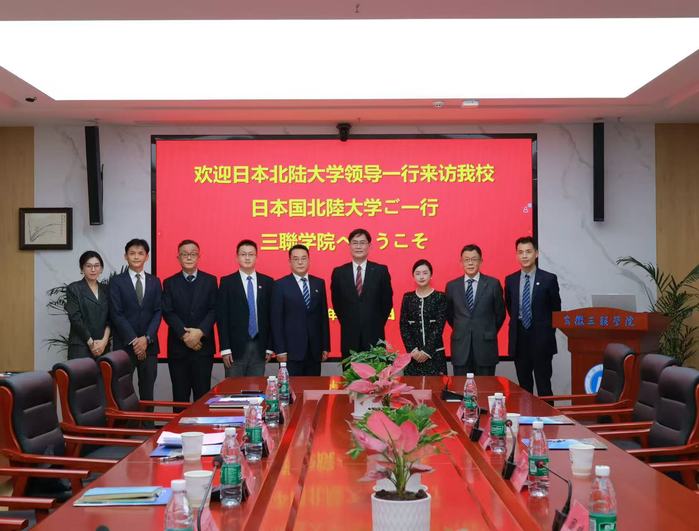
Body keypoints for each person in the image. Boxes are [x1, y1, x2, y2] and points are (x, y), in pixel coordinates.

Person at [162, 239, 218, 403]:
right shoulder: (169, 282)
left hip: (203, 348)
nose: (188, 257)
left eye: (193, 254)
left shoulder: (210, 280)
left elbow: (214, 309)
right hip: (178, 350)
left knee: (203, 398)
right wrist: (185, 335)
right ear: (178, 257)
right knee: (180, 397)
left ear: (198, 257)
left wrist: (200, 332)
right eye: (184, 254)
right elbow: (168, 312)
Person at [505, 236, 561, 395]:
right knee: (524, 387)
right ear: (516, 255)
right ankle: (526, 412)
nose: (524, 256)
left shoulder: (549, 279)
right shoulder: (510, 280)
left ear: (536, 253)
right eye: (520, 252)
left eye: (528, 251)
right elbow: (510, 306)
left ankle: (547, 412)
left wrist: (547, 332)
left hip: (542, 339)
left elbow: (556, 310)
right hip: (519, 338)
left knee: (544, 386)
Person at [109, 238, 162, 403]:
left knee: (148, 394)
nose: (136, 257)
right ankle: (128, 422)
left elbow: (158, 312)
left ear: (147, 256)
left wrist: (146, 338)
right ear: (126, 256)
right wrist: (135, 341)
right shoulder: (116, 281)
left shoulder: (155, 281)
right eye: (132, 253)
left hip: (149, 346)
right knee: (123, 394)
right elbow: (116, 314)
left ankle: (148, 421)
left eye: (140, 253)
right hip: (124, 346)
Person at [330, 228, 393, 358]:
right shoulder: (339, 273)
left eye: (362, 243)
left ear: (369, 246)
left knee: (375, 371)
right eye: (355, 243)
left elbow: (387, 303)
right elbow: (337, 304)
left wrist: (375, 323)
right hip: (349, 337)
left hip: (374, 337)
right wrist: (350, 322)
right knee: (350, 371)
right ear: (349, 246)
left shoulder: (381, 271)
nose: (358, 246)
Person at [445, 244, 505, 376]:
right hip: (461, 347)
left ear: (481, 261)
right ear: (461, 262)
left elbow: (500, 314)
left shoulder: (493, 284)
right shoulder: (452, 286)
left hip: (485, 346)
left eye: (474, 259)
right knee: (461, 387)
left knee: (486, 387)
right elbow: (450, 315)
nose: (470, 263)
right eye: (466, 260)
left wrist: (488, 330)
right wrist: (464, 328)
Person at [216, 239, 274, 377]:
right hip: (235, 349)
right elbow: (222, 317)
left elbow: (271, 316)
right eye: (243, 254)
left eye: (251, 254)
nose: (247, 258)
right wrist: (225, 348)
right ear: (237, 257)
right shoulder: (227, 282)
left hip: (260, 347)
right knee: (233, 388)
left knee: (256, 388)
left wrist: (270, 346)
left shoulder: (267, 282)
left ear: (256, 257)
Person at [271, 245, 330, 376]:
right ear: (289, 261)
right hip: (290, 351)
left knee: (313, 386)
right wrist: (280, 349)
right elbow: (276, 320)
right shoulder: (280, 285)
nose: (300, 262)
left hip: (314, 350)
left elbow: (323, 317)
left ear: (309, 260)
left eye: (303, 258)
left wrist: (325, 346)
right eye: (296, 259)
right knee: (292, 387)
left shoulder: (319, 283)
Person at [399, 259, 447, 376]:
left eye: (425, 273)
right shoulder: (408, 298)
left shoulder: (440, 297)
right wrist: (413, 350)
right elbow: (403, 325)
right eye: (418, 273)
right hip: (413, 356)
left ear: (431, 275)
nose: (421, 276)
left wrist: (426, 351)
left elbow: (439, 326)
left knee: (437, 387)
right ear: (413, 276)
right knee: (412, 386)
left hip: (435, 354)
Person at [65, 250, 111, 359]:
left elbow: (111, 319)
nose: (93, 269)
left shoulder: (107, 289)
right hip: (80, 347)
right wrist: (91, 343)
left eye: (96, 266)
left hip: (103, 347)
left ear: (101, 269)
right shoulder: (74, 289)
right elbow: (75, 318)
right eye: (88, 266)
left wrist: (104, 341)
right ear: (82, 269)